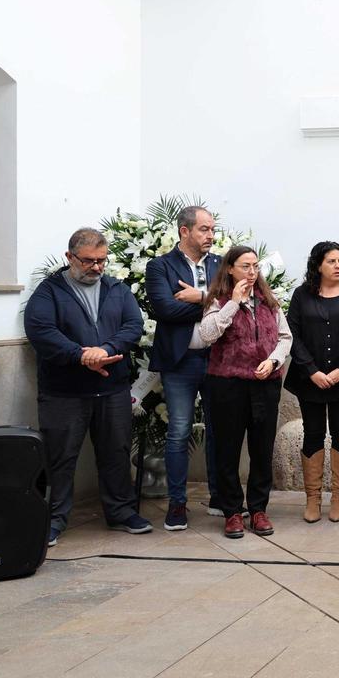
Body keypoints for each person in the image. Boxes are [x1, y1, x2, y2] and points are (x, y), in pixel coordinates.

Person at [24, 227, 153, 546]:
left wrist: (106, 350)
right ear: (69, 257)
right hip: (64, 393)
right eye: (88, 261)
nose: (97, 267)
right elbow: (40, 330)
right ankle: (52, 519)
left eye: (102, 261)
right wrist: (80, 356)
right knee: (60, 457)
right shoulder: (49, 292)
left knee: (116, 452)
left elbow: (133, 325)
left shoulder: (116, 288)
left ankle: (121, 512)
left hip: (112, 391)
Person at [198, 246, 292, 539]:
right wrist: (233, 304)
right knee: (227, 449)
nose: (252, 273)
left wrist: (273, 360)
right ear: (230, 269)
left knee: (261, 448)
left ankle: (259, 508)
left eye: (255, 267)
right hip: (227, 385)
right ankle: (232, 512)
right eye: (245, 267)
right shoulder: (217, 300)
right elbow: (207, 335)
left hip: (265, 384)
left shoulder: (269, 302)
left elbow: (285, 337)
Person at [146, 205, 221, 531]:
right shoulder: (160, 265)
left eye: (213, 230)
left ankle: (221, 496)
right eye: (204, 229)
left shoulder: (221, 264)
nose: (210, 236)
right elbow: (164, 308)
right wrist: (213, 305)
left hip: (219, 360)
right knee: (178, 431)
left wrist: (198, 296)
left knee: (221, 430)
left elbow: (237, 303)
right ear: (184, 231)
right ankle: (177, 504)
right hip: (180, 361)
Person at [285, 241, 339, 524]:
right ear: (318, 265)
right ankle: (312, 499)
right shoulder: (301, 295)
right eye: (331, 261)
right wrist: (311, 370)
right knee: (313, 432)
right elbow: (292, 335)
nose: (338, 266)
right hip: (309, 379)